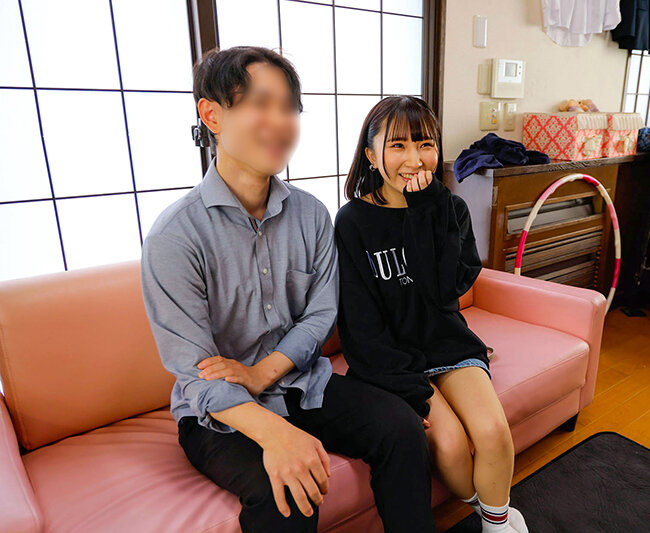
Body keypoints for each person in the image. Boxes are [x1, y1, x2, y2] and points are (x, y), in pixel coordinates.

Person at [140, 46, 435, 533]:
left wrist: (262, 373)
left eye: (289, 108)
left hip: (301, 384)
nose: (280, 122)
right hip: (220, 412)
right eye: (261, 103)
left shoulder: (311, 214)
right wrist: (274, 433)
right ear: (212, 115)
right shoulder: (175, 236)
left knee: (402, 427)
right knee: (288, 491)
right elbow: (195, 372)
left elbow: (321, 313)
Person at [334, 96, 528, 533]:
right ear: (371, 155)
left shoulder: (449, 209)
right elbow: (359, 324)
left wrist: (425, 211)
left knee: (493, 432)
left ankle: (496, 524)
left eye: (425, 144)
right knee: (451, 445)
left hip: (448, 345)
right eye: (397, 145)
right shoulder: (352, 222)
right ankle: (487, 507)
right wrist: (410, 387)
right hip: (393, 362)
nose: (414, 158)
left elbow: (445, 293)